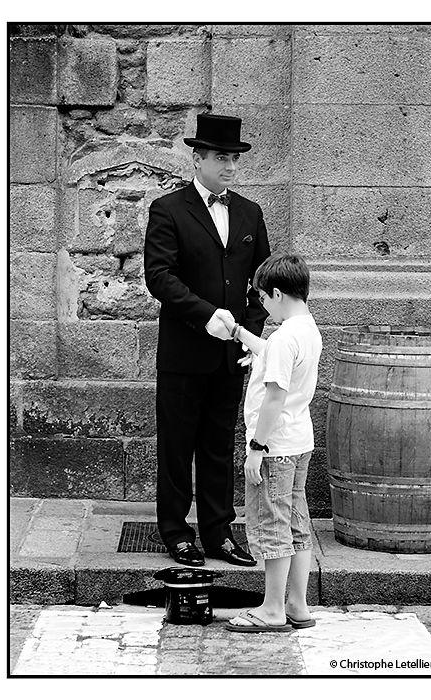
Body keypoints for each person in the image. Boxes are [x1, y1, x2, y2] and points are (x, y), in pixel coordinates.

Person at [144, 113, 271, 568]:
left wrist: (250, 333)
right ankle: (177, 533)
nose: (230, 166)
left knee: (219, 444)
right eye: (221, 157)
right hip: (184, 352)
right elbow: (159, 277)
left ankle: (219, 532)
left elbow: (263, 282)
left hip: (231, 354)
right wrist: (205, 316)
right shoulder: (168, 210)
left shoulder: (250, 212)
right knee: (177, 447)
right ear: (196, 159)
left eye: (234, 158)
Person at [218, 253, 322, 632]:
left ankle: (272, 610)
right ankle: (298, 605)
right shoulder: (306, 329)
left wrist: (256, 449)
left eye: (263, 298)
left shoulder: (282, 337)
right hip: (299, 442)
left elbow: (274, 397)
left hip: (274, 447)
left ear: (277, 293)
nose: (262, 305)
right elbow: (273, 359)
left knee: (273, 524)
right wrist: (238, 333)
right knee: (297, 522)